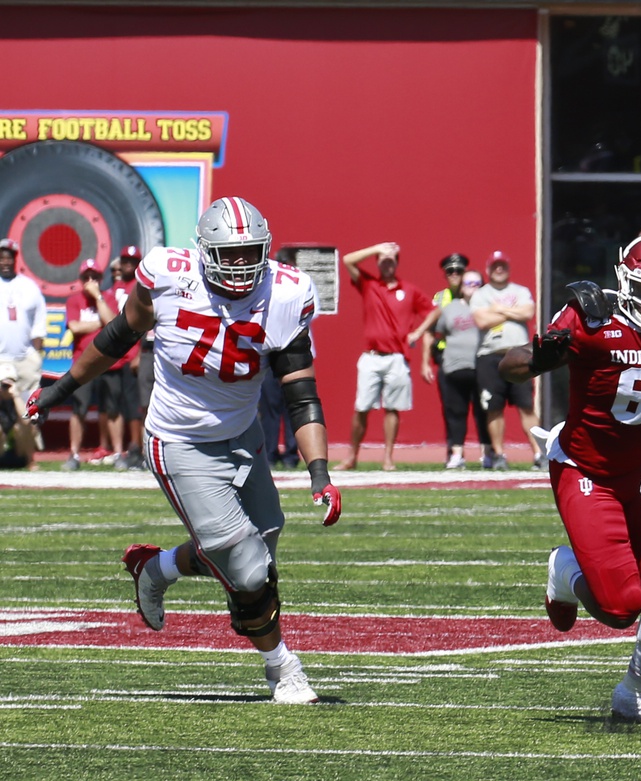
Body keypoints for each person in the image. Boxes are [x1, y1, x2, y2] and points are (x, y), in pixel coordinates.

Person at [26, 196, 342, 704]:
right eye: (228, 254)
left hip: (243, 437)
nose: (241, 265)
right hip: (179, 439)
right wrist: (61, 388)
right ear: (204, 251)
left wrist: (319, 473)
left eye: (250, 253)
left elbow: (300, 393)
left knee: (260, 548)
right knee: (248, 570)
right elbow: (117, 335)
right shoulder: (167, 277)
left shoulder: (287, 292)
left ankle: (159, 568)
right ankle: (283, 668)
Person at [499, 228, 641, 724]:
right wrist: (549, 348)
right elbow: (510, 367)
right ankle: (564, 569)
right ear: (624, 281)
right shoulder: (590, 318)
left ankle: (634, 694)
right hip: (585, 467)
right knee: (620, 607)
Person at [337, 241, 434, 471]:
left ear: (397, 264)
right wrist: (377, 249)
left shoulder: (409, 290)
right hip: (371, 356)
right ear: (378, 262)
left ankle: (388, 457)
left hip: (396, 357)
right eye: (383, 261)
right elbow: (348, 260)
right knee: (362, 407)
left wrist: (418, 332)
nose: (387, 265)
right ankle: (352, 456)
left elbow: (433, 310)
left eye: (391, 261)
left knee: (392, 408)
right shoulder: (369, 284)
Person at [410, 253, 495, 468]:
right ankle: (455, 453)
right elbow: (431, 330)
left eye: (459, 271)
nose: (455, 275)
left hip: (479, 361)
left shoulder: (484, 299)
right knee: (454, 409)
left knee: (483, 409)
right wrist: (425, 361)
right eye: (450, 271)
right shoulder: (441, 298)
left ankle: (488, 452)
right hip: (448, 358)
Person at [470, 250, 543, 470]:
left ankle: (540, 454)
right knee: (494, 407)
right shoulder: (480, 294)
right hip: (490, 356)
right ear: (488, 269)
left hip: (519, 355)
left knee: (526, 406)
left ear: (508, 268)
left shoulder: (520, 291)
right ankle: (499, 454)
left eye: (502, 265)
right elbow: (482, 321)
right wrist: (512, 311)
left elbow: (528, 312)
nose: (499, 269)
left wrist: (498, 309)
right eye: (495, 266)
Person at [62, 258, 124, 471]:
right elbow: (75, 327)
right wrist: (99, 323)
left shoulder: (108, 298)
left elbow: (114, 323)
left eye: (94, 277)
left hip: (109, 362)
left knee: (113, 409)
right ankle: (74, 454)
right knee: (79, 409)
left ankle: (117, 453)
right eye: (86, 277)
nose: (90, 281)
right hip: (83, 363)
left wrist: (97, 297)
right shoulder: (74, 300)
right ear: (80, 279)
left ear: (101, 278)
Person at [258, 246, 301, 469]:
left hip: (289, 349)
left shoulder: (300, 285)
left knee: (291, 405)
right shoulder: (266, 285)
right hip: (272, 350)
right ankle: (272, 452)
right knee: (271, 407)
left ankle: (289, 454)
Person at [0, 238, 48, 409]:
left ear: (15, 259)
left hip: (25, 359)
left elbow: (39, 323)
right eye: (1, 258)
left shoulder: (29, 286)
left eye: (9, 258)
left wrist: (35, 354)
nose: (5, 262)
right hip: (0, 358)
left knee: (29, 413)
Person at [110, 245, 146, 471]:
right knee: (121, 406)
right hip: (116, 356)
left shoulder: (141, 288)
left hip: (133, 354)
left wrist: (140, 353)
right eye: (125, 261)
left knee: (136, 407)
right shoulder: (114, 287)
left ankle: (137, 449)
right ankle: (126, 449)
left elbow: (146, 325)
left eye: (133, 262)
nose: (128, 265)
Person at [0, 362, 36, 469]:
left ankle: (30, 462)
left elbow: (27, 421)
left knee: (28, 427)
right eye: (3, 384)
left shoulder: (22, 395)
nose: (7, 387)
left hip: (18, 451)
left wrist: (15, 396)